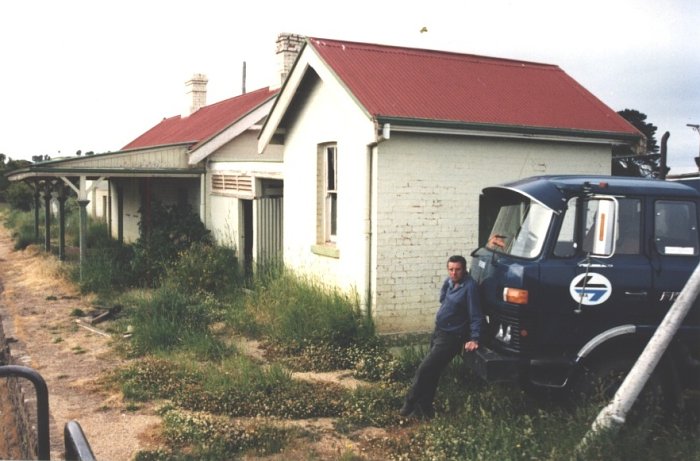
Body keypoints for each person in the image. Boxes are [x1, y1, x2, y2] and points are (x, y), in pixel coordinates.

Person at [399, 255, 483, 419]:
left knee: (425, 369)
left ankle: (409, 403)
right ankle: (424, 410)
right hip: (439, 331)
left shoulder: (470, 287)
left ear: (464, 269)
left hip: (452, 337)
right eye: (451, 269)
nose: (454, 273)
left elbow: (476, 315)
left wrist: (474, 338)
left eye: (457, 269)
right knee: (433, 372)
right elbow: (443, 298)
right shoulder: (449, 282)